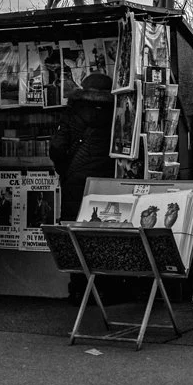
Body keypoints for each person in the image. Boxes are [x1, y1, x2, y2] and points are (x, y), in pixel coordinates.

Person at [48, 72, 117, 300]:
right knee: (104, 233)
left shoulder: (72, 112)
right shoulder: (116, 113)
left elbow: (57, 147)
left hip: (76, 181)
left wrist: (65, 169)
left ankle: (79, 289)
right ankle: (105, 290)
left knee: (76, 234)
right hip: (107, 181)